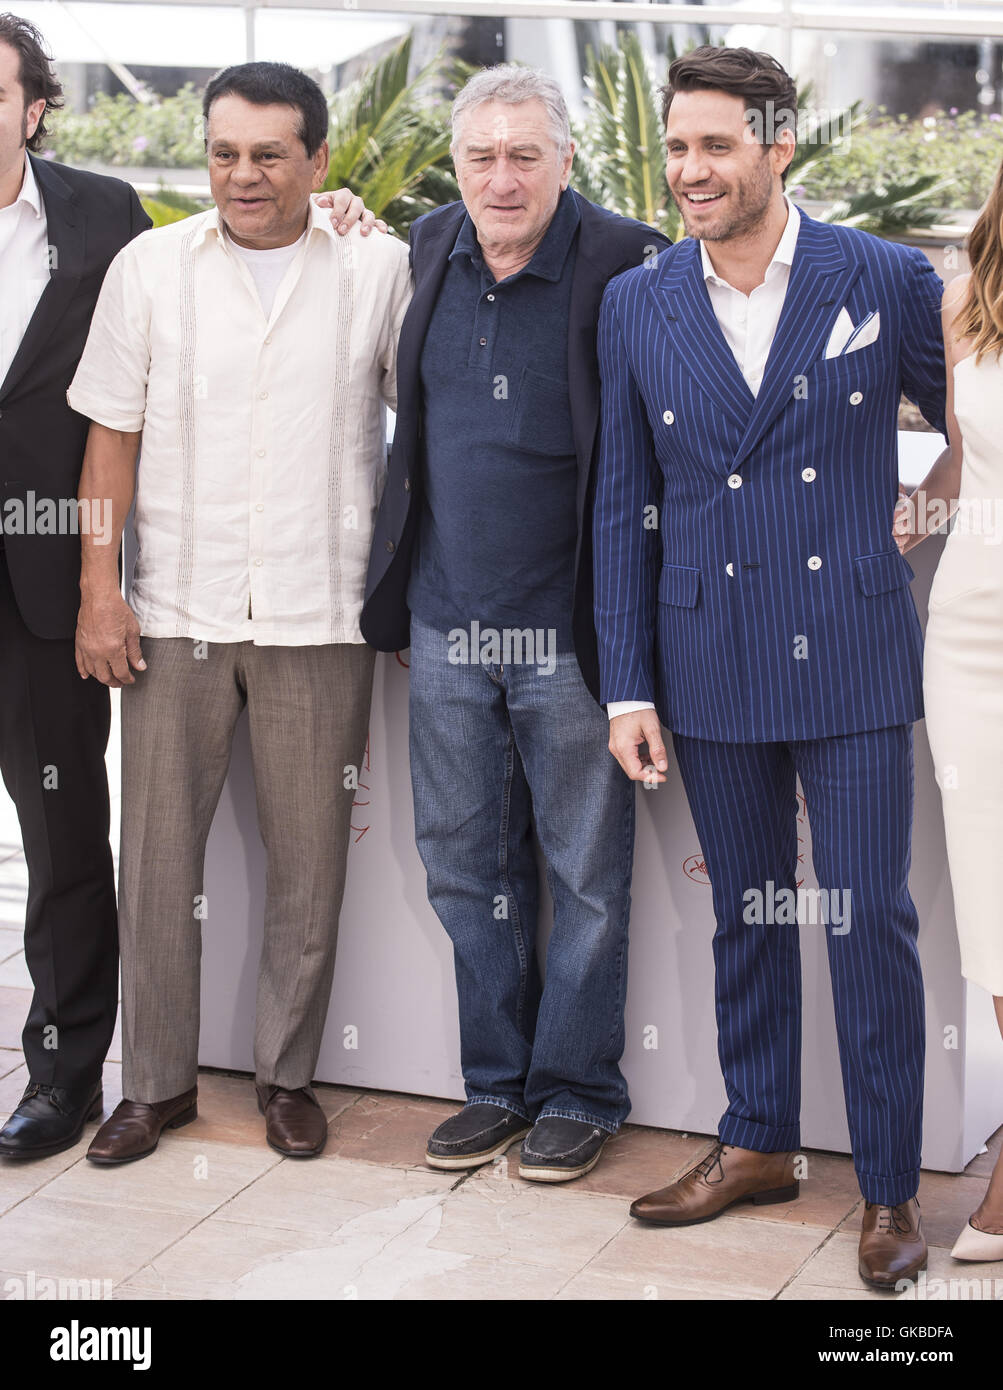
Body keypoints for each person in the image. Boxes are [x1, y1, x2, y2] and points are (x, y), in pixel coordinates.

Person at [594, 46, 946, 1286]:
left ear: (778, 146)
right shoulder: (636, 302)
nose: (689, 170)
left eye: (716, 147)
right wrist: (627, 682)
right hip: (709, 649)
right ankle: (754, 1144)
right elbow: (617, 503)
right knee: (744, 915)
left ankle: (891, 1190)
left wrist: (942, 498)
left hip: (850, 644)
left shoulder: (886, 276)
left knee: (866, 925)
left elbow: (977, 412)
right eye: (677, 147)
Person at [66, 61, 411, 1163]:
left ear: (317, 158)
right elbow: (107, 440)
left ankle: (287, 1077)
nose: (243, 175)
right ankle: (155, 1086)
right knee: (155, 861)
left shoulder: (381, 267)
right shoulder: (149, 268)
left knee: (312, 864)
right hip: (175, 610)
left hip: (323, 609)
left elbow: (438, 418)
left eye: (269, 153)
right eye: (224, 152)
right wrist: (97, 593)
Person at [358, 64, 670, 1181]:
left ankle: (579, 1092)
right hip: (443, 627)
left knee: (585, 878)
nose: (502, 176)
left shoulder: (625, 258)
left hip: (573, 636)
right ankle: (495, 1084)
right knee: (460, 863)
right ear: (456, 165)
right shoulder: (430, 243)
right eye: (481, 155)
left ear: (565, 161)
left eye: (524, 154)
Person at [0, 13, 149, 1160]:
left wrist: (338, 224)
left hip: (44, 585)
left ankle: (63, 1075)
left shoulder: (106, 218)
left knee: (62, 838)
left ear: (33, 104)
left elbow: (172, 341)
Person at [896, 156, 1003, 1262]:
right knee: (995, 914)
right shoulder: (961, 299)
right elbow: (961, 464)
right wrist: (904, 518)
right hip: (973, 636)